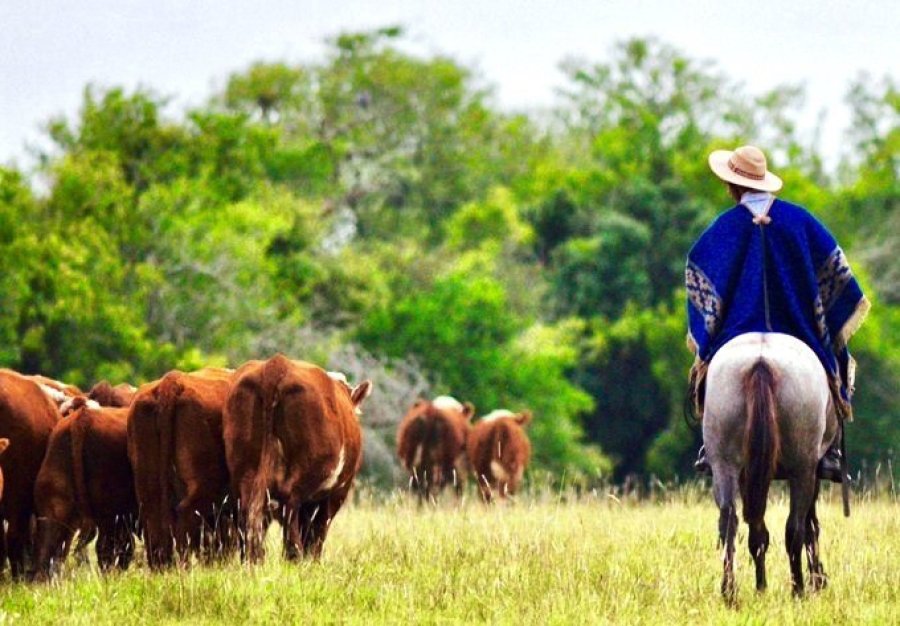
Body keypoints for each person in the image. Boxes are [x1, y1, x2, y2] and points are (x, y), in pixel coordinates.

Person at [687, 145, 870, 483]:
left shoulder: (722, 228)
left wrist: (710, 332)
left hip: (735, 332)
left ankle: (710, 447)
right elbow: (839, 275)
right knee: (834, 366)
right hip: (799, 330)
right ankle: (829, 452)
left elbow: (698, 279)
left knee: (706, 369)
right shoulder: (801, 221)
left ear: (732, 186)